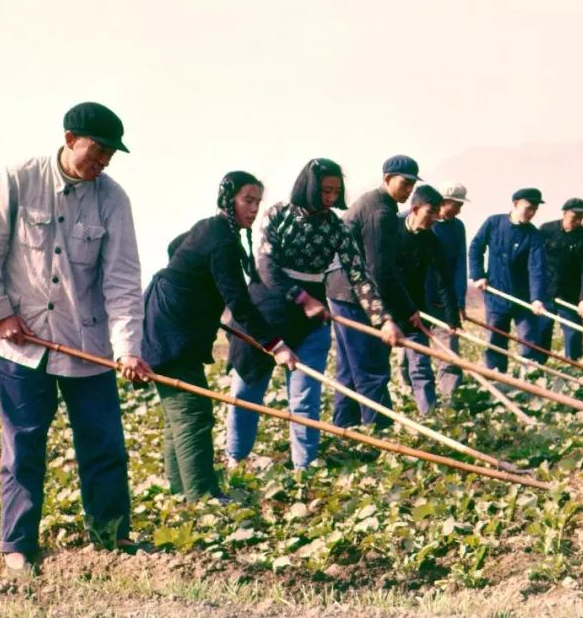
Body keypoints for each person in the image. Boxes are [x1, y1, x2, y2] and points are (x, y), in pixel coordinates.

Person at [0, 102, 152, 576]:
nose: (105, 161)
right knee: (23, 444)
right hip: (21, 344)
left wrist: (128, 348)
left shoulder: (113, 200)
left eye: (112, 153)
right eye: (98, 149)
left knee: (103, 444)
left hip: (86, 345)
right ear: (71, 138)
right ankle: (18, 545)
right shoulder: (18, 179)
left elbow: (123, 282)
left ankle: (111, 535)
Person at [224, 158, 393, 471]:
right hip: (265, 313)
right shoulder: (278, 215)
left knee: (305, 397)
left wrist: (383, 320)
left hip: (310, 322)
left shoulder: (337, 227)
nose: (330, 198)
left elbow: (358, 274)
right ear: (309, 188)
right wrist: (303, 298)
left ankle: (305, 466)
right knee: (248, 390)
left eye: (335, 192)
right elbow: (267, 268)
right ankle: (235, 457)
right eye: (325, 191)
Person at [142, 171, 298, 501]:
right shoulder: (222, 241)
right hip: (172, 328)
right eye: (247, 200)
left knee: (178, 412)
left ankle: (181, 492)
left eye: (258, 201)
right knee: (192, 411)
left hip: (167, 320)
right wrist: (277, 345)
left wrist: (192, 283)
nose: (254, 208)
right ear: (229, 199)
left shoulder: (212, 228)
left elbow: (174, 248)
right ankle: (203, 498)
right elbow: (240, 303)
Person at [325, 156, 416, 430]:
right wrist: (401, 312)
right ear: (387, 178)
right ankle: (380, 435)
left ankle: (346, 430)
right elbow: (380, 270)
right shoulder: (381, 212)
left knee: (349, 371)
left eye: (412, 184)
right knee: (371, 369)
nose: (408, 190)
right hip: (354, 296)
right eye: (404, 183)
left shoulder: (375, 203)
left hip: (340, 291)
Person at [393, 185, 461, 415]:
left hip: (415, 311)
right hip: (386, 313)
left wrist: (452, 320)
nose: (435, 218)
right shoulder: (390, 231)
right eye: (430, 213)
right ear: (414, 209)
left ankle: (428, 415)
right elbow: (382, 274)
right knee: (377, 369)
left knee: (421, 367)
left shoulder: (432, 241)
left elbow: (444, 281)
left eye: (436, 213)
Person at [467, 188, 547, 372]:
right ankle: (497, 377)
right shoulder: (493, 223)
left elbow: (537, 268)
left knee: (529, 340)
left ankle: (531, 377)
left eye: (535, 209)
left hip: (523, 298)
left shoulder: (533, 235)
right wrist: (478, 275)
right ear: (515, 204)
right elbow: (476, 248)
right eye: (528, 208)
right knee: (496, 340)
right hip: (496, 295)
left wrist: (536, 298)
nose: (532, 213)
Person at [535, 198, 583, 361]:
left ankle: (574, 365)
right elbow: (535, 260)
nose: (577, 221)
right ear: (564, 213)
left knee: (574, 332)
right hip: (546, 291)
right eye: (574, 217)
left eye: (580, 217)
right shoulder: (546, 230)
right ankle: (538, 366)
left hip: (570, 294)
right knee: (541, 330)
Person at [425, 182, 469, 394]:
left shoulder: (457, 227)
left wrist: (459, 302)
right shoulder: (417, 220)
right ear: (443, 202)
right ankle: (417, 397)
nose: (459, 210)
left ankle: (449, 400)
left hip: (444, 301)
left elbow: (461, 265)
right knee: (411, 355)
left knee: (450, 353)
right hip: (417, 300)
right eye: (456, 204)